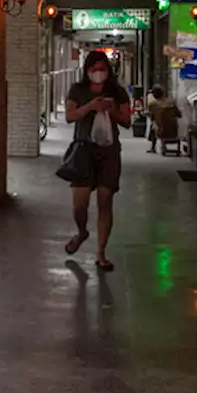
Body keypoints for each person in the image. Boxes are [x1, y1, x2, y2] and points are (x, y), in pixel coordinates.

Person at [63, 50, 132, 272]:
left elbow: (127, 121)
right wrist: (90, 107)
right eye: (94, 69)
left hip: (109, 152)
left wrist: (111, 112)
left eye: (102, 69)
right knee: (79, 205)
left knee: (105, 200)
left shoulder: (117, 92)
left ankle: (101, 252)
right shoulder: (78, 90)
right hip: (83, 150)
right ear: (87, 70)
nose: (98, 73)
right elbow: (70, 116)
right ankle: (82, 231)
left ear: (108, 70)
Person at [146, 85, 181, 153]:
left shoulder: (153, 105)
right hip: (174, 131)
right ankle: (161, 146)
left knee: (153, 125)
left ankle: (153, 147)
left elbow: (152, 117)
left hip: (161, 131)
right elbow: (179, 115)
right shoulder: (171, 102)